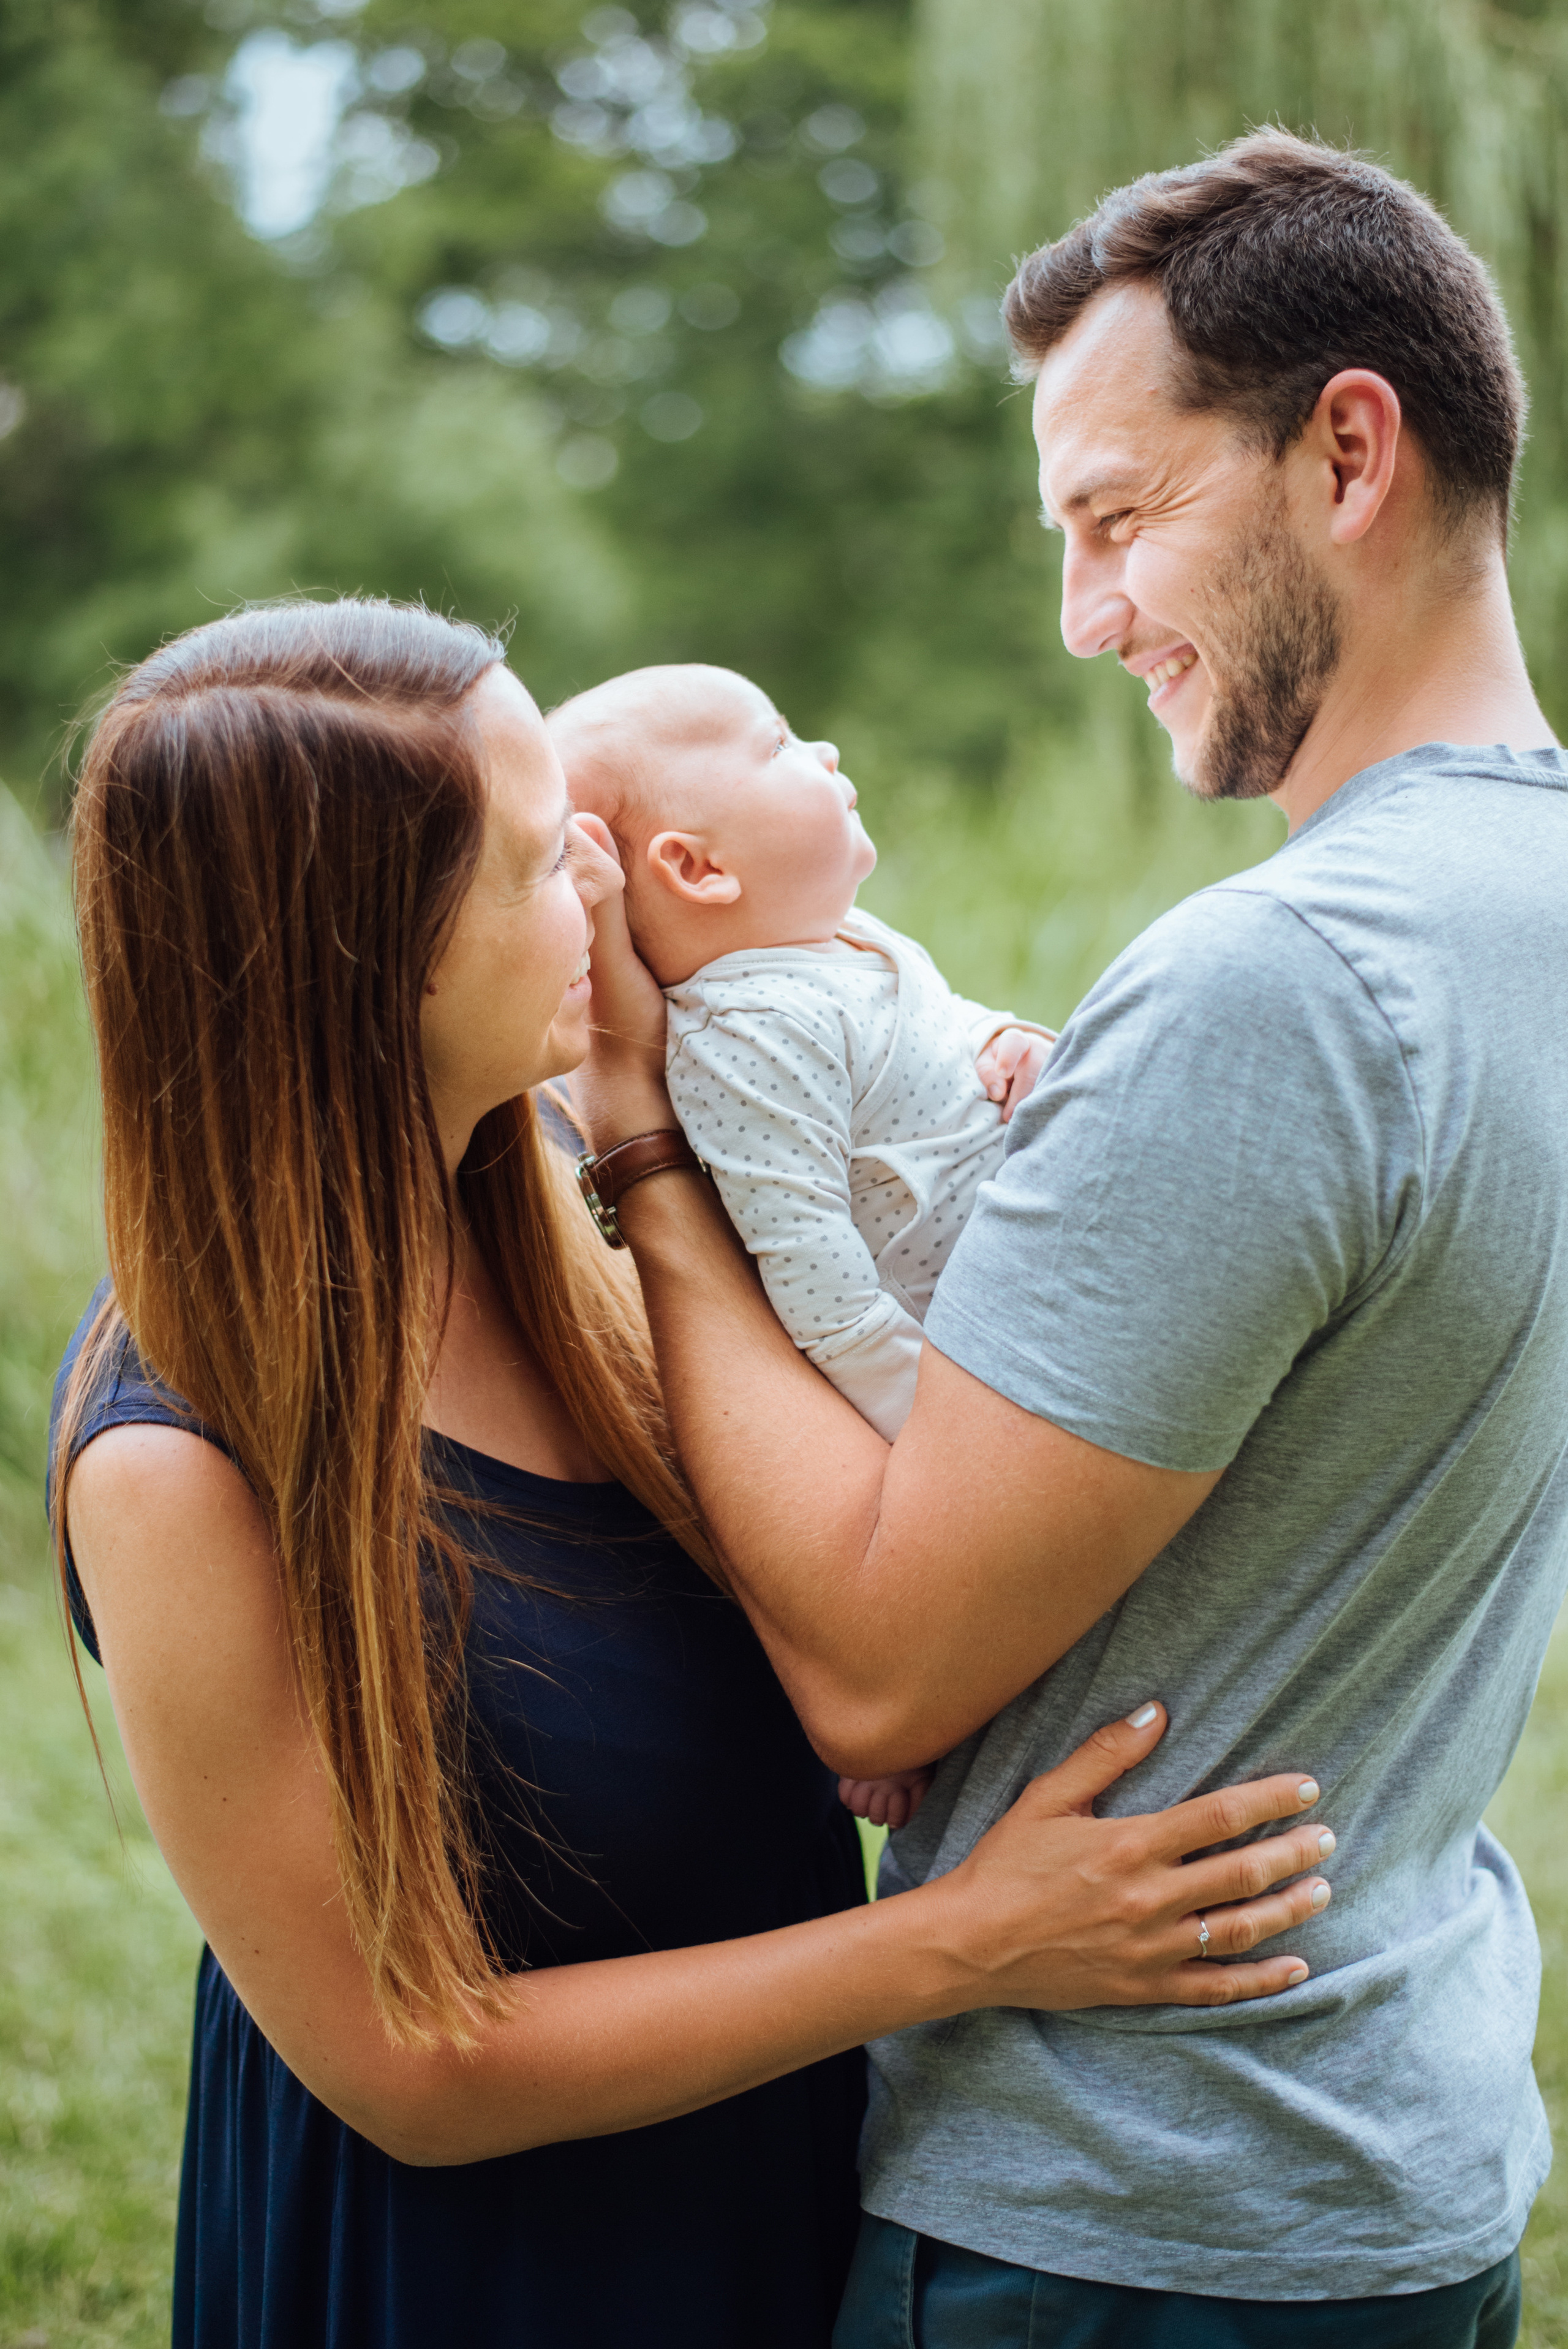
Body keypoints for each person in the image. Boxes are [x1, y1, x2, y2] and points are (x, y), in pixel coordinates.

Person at [47, 598, 1333, 2349]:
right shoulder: (178, 1456)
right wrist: (972, 1939)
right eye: (532, 860)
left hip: (776, 2182)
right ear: (364, 959)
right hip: (490, 2278)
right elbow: (414, 2065)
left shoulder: (604, 1205)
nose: (602, 885)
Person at [570, 130, 1568, 2348]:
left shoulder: (1285, 982)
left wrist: (649, 1155)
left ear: (1348, 453)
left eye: (1120, 518)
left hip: (1128, 2214)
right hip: (1402, 2151)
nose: (1086, 610)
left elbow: (881, 1666)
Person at [549, 659, 1053, 1830]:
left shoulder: (841, 944)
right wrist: (960, 1435)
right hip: (947, 1383)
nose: (824, 753)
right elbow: (822, 1299)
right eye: (780, 743)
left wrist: (1013, 1045)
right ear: (697, 867)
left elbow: (936, 1039)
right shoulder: (744, 1039)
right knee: (1008, 1605)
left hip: (1016, 1326)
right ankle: (924, 1722)